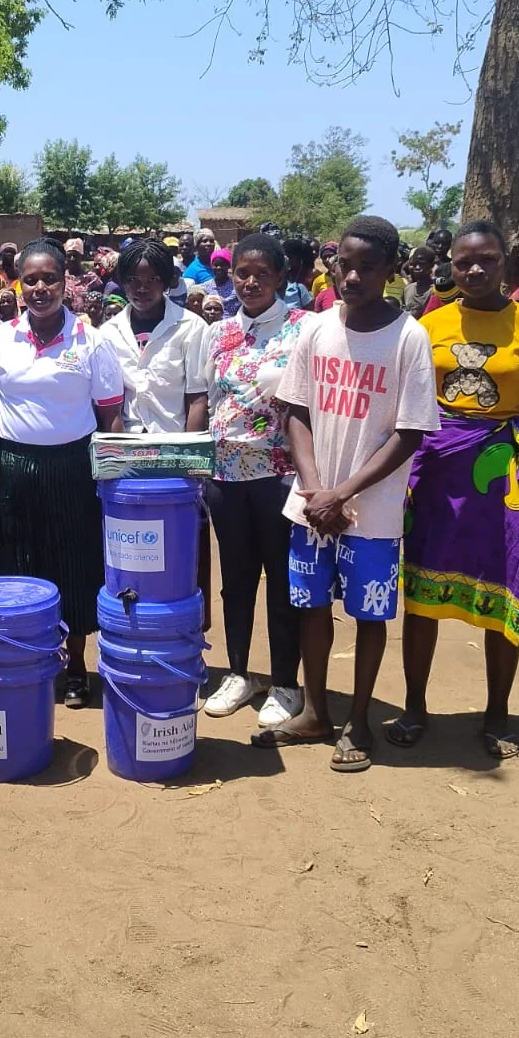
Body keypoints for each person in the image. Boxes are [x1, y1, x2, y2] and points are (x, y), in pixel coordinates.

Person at [256, 215, 439, 772]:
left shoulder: (409, 336)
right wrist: (315, 490)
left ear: (390, 270)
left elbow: (411, 432)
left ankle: (359, 719)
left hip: (373, 512)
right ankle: (316, 711)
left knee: (368, 614)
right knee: (310, 607)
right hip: (311, 505)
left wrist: (344, 492)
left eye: (367, 267)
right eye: (345, 265)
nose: (352, 276)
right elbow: (296, 411)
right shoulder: (316, 327)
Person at [395, 221, 519, 759]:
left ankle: (497, 712)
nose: (475, 270)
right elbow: (411, 405)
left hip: (501, 471)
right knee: (420, 595)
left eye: (486, 259)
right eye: (464, 262)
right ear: (451, 266)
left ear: (506, 261)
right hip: (436, 468)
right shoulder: (429, 323)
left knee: (505, 586)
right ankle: (415, 705)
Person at [0, 239, 124, 708]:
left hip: (74, 467)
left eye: (50, 279)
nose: (40, 288)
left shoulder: (92, 341)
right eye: (31, 279)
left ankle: (77, 666)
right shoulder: (1, 337)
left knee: (74, 565)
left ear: (67, 283)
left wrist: (112, 478)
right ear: (19, 284)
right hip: (15, 468)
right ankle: (34, 660)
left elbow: (110, 417)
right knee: (22, 563)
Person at [203, 233, 309, 725]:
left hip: (280, 477)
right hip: (225, 476)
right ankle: (240, 674)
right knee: (237, 581)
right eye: (242, 272)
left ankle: (286, 683)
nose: (249, 282)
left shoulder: (303, 330)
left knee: (284, 582)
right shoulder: (218, 333)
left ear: (281, 278)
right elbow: (210, 398)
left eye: (261, 273)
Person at [97, 238, 209, 435]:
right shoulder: (108, 333)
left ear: (165, 282)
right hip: (128, 443)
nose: (142, 289)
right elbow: (108, 403)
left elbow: (197, 398)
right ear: (122, 282)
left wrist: (190, 456)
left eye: (152, 280)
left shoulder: (191, 328)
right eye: (133, 280)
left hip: (172, 443)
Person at [400, 245, 438, 318]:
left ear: (431, 265)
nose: (417, 267)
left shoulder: (435, 291)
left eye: (421, 264)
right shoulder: (408, 289)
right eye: (415, 263)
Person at [205, 248, 239, 317]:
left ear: (228, 266)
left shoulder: (236, 286)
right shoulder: (205, 287)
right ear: (211, 266)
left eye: (222, 265)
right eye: (216, 265)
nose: (219, 268)